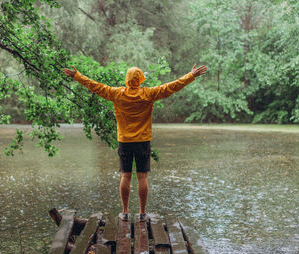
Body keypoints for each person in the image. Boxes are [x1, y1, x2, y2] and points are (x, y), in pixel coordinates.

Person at [62, 64, 207, 221]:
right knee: (142, 177)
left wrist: (77, 76)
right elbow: (172, 86)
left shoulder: (116, 93)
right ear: (140, 80)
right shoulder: (148, 94)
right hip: (143, 141)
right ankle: (142, 213)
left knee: (125, 175)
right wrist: (191, 75)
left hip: (124, 141)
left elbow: (95, 86)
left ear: (127, 80)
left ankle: (125, 212)